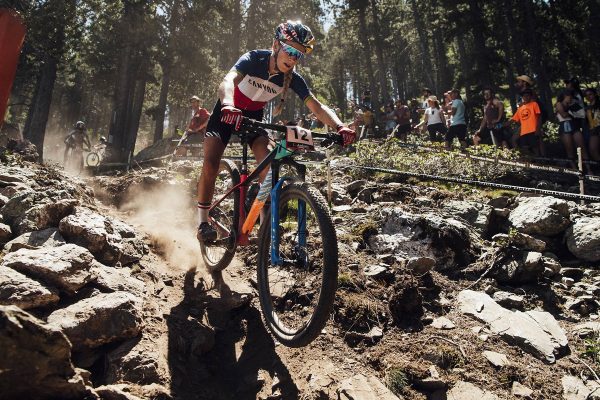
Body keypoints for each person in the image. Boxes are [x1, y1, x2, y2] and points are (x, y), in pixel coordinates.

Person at [196, 21, 355, 242]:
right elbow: (228, 81)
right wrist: (228, 105)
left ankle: (264, 223)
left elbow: (316, 106)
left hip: (253, 118)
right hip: (226, 112)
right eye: (289, 51)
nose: (292, 58)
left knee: (268, 165)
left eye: (298, 55)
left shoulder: (292, 79)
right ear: (275, 45)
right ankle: (203, 221)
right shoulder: (254, 59)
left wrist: (340, 126)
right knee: (211, 163)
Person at [555, 89, 589, 168]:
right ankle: (574, 170)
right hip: (564, 126)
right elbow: (563, 115)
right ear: (564, 96)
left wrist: (574, 112)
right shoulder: (559, 104)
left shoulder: (573, 103)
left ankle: (588, 168)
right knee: (569, 149)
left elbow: (582, 114)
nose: (570, 98)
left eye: (571, 96)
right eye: (569, 96)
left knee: (581, 146)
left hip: (574, 125)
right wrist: (573, 112)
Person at [507, 88, 541, 155]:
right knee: (524, 148)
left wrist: (538, 129)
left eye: (527, 95)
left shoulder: (534, 104)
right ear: (522, 97)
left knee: (535, 148)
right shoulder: (520, 108)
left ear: (530, 96)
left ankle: (539, 162)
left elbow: (539, 117)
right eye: (524, 96)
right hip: (524, 132)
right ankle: (531, 161)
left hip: (533, 131)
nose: (526, 97)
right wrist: (503, 124)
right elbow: (513, 119)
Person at [585, 88, 600, 163]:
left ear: (595, 94)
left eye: (590, 94)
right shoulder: (587, 107)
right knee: (593, 150)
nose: (588, 97)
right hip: (593, 130)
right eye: (586, 95)